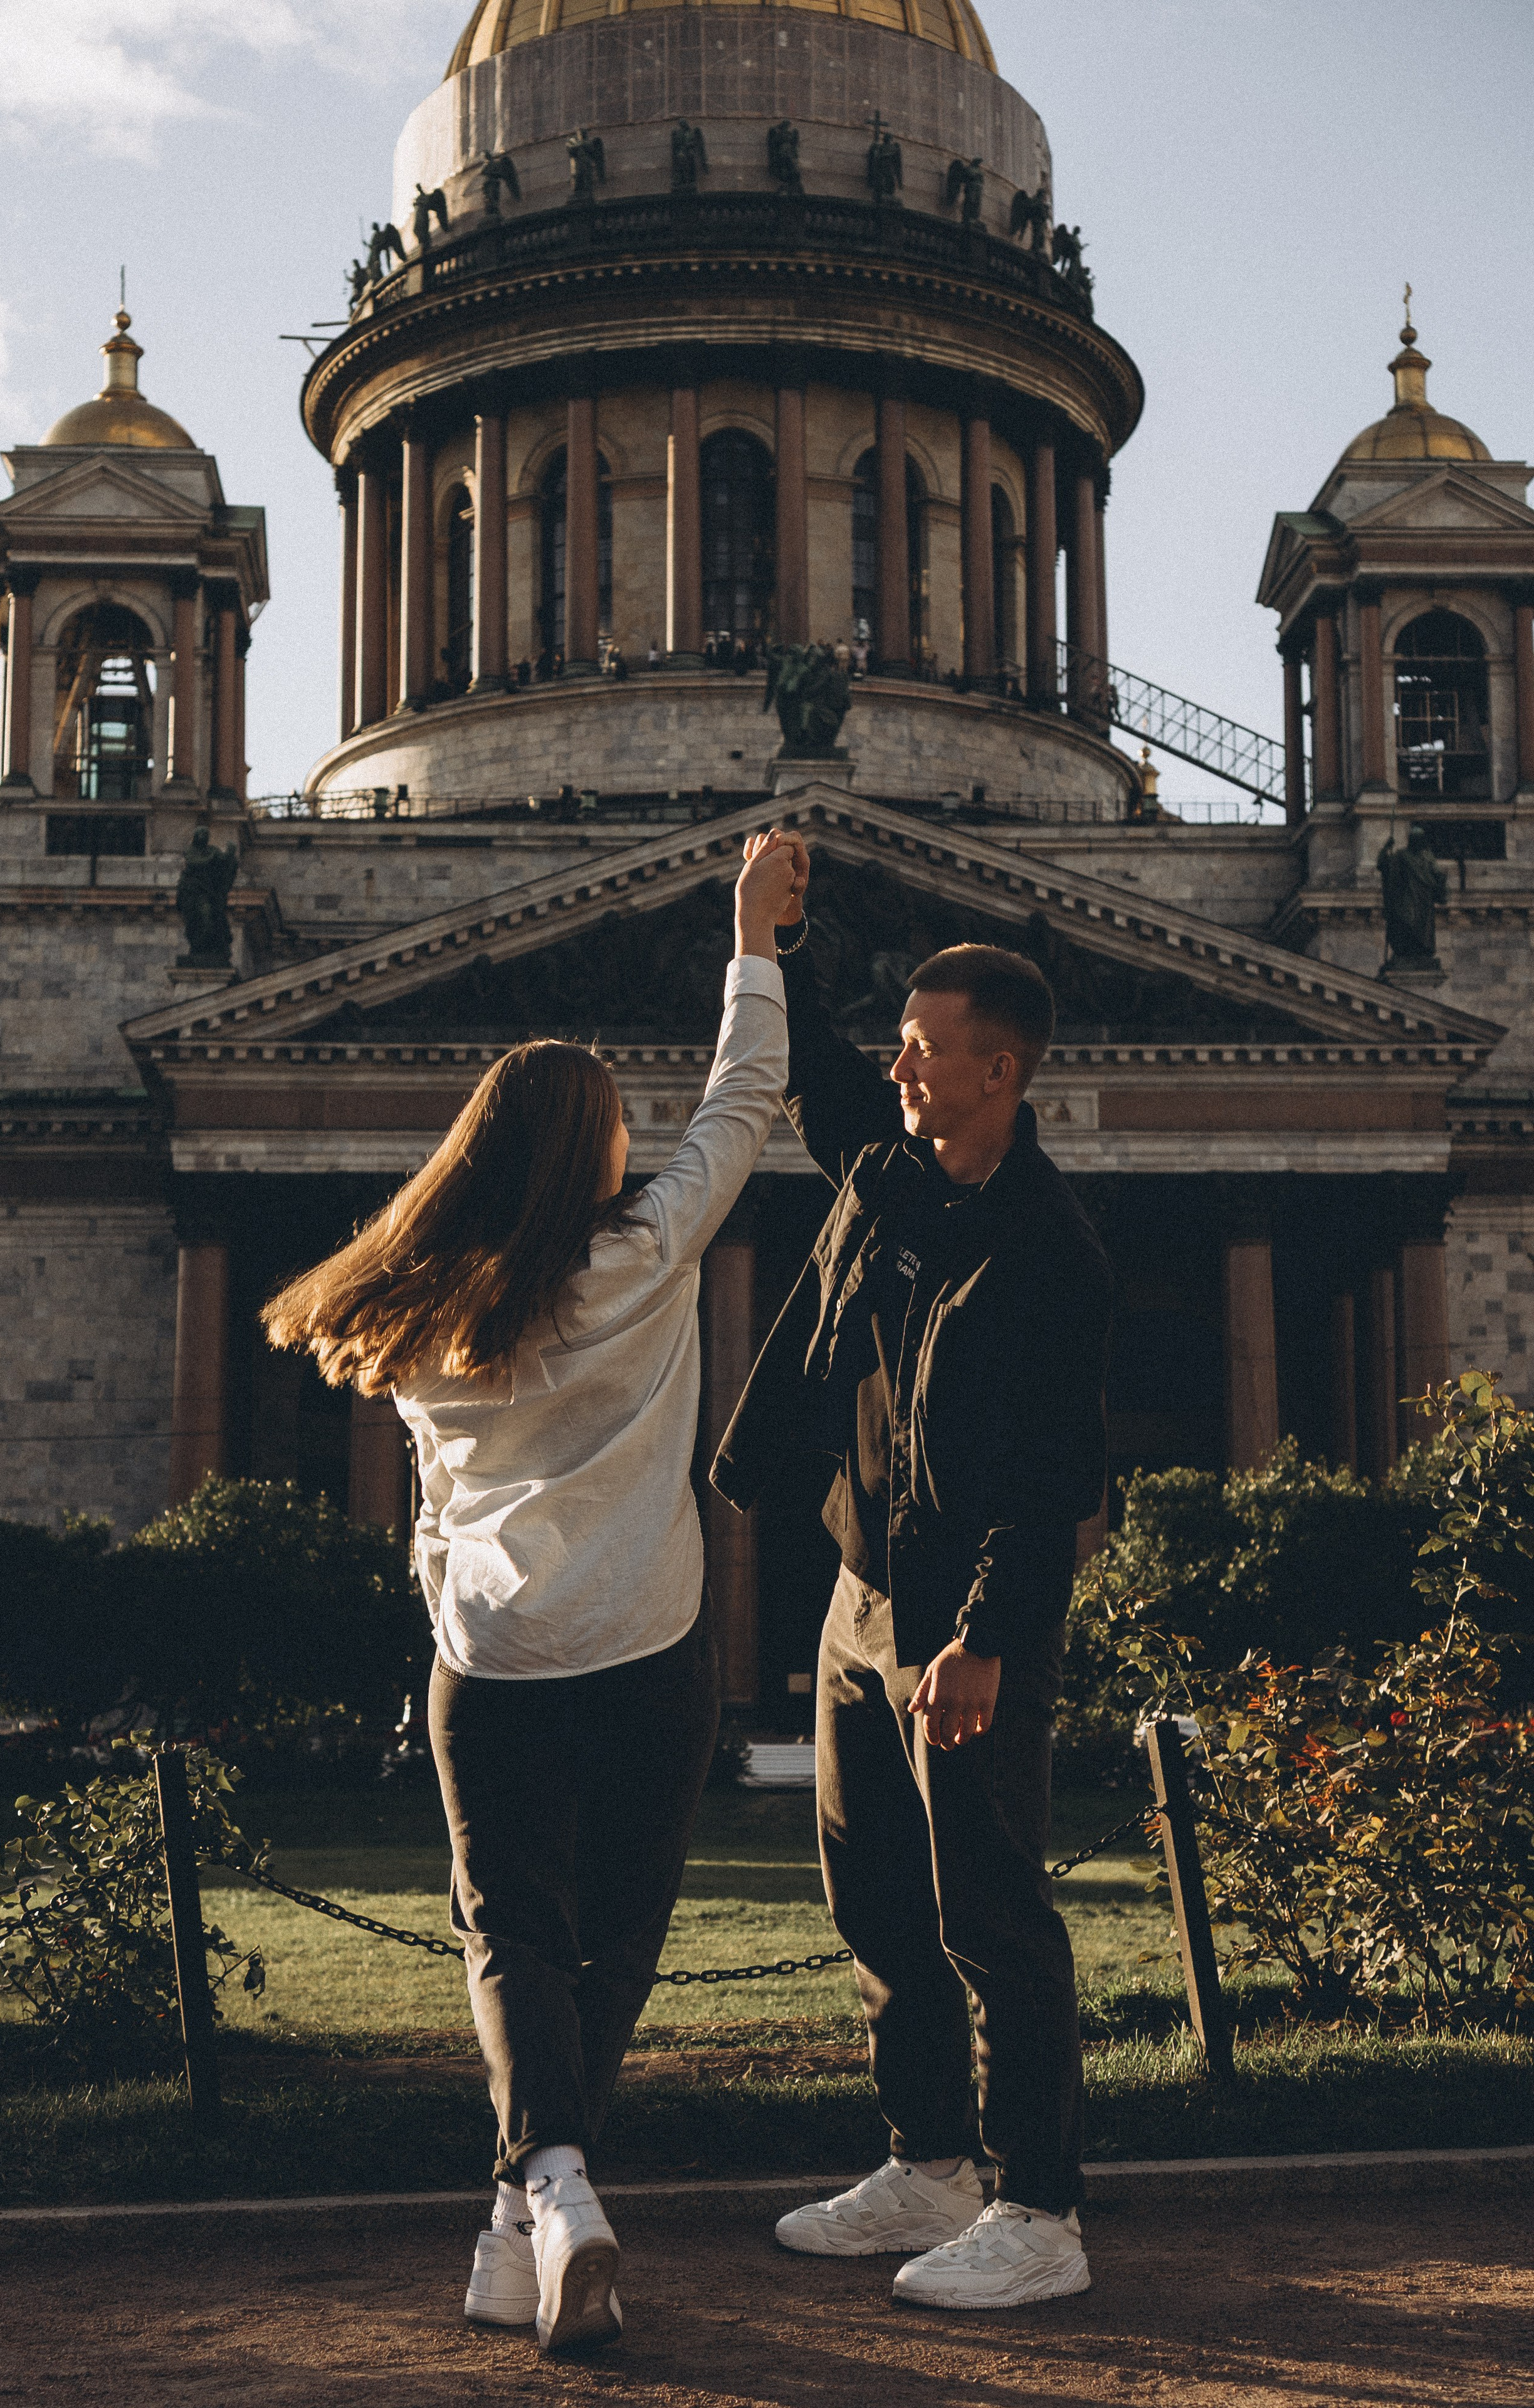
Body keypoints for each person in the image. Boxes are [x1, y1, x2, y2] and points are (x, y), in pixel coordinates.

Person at [263, 833, 797, 2355]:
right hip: (650, 1647)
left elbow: (433, 1510)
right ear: (595, 1152)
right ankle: (555, 2186)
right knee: (611, 1941)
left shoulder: (418, 1315)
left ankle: (531, 2208)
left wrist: (449, 1603)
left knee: (508, 1935)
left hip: (486, 1661)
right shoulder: (644, 1259)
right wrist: (750, 935)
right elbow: (745, 1097)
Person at [712, 831, 1111, 2313]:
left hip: (960, 1623)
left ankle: (1040, 2210)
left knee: (990, 1912)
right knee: (873, 1894)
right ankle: (930, 2164)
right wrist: (771, 937)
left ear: (996, 1071)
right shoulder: (891, 1177)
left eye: (922, 1048)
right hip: (859, 1594)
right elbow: (818, 1079)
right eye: (898, 1041)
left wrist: (986, 1639)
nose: (897, 1065)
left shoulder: (1047, 1254)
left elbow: (1050, 1478)